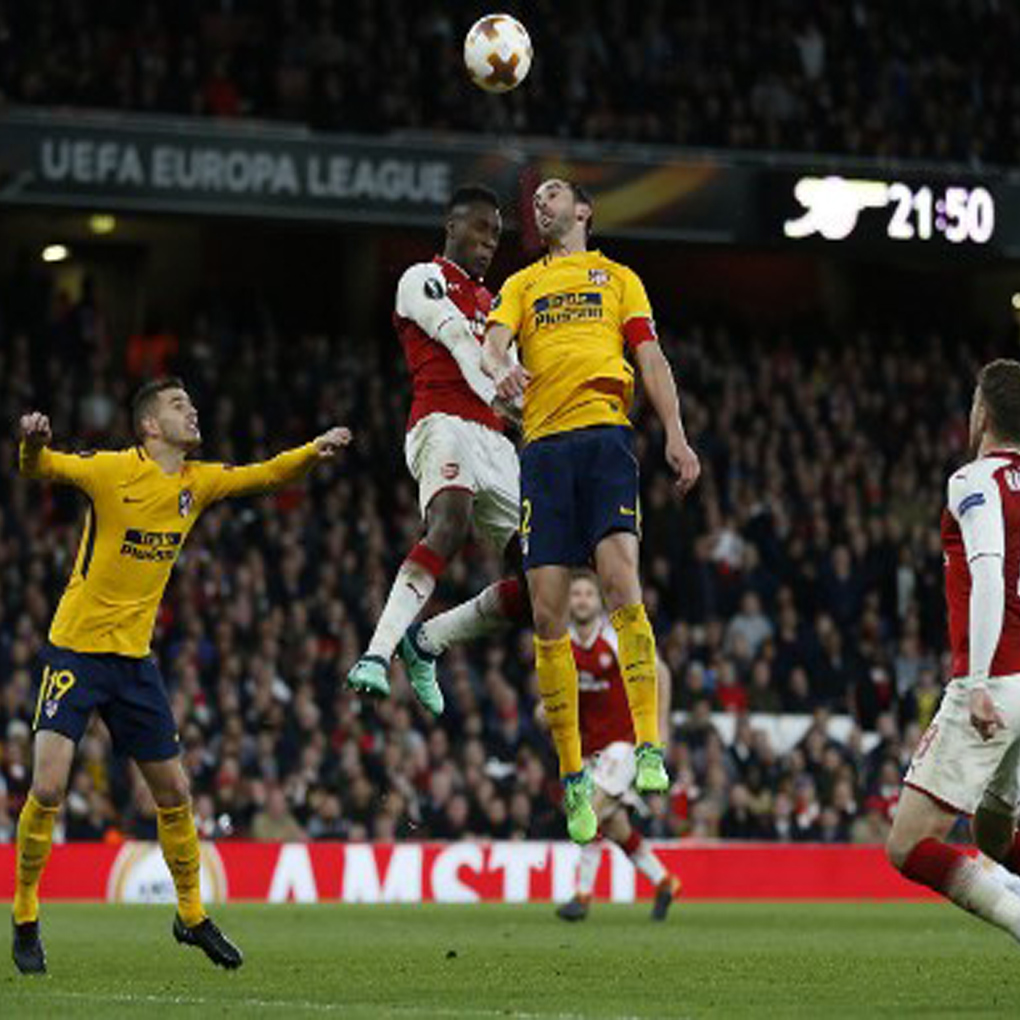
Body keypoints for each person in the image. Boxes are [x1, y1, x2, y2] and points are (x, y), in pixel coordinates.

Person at [12, 378, 350, 974]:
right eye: (177, 405)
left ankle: (191, 915)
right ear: (149, 426)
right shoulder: (113, 471)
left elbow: (265, 475)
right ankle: (25, 913)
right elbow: (41, 470)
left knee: (175, 793)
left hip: (135, 663)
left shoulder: (198, 483)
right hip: (76, 653)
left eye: (191, 402)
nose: (192, 409)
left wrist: (310, 452)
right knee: (48, 787)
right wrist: (33, 444)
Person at [481, 177, 700, 843]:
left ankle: (649, 747)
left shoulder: (618, 279)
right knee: (547, 612)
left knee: (620, 584)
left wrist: (676, 433)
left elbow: (651, 356)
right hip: (542, 449)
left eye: (553, 195)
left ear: (582, 211)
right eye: (536, 198)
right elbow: (492, 340)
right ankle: (574, 777)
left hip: (606, 438)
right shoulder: (521, 283)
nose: (540, 203)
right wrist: (501, 365)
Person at [347, 184, 525, 714]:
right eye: (480, 228)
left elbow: (512, 382)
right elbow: (462, 348)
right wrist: (502, 386)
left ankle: (426, 642)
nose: (490, 242)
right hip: (441, 421)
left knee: (545, 578)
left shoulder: (495, 306)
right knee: (449, 521)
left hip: (496, 443)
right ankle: (376, 656)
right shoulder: (421, 279)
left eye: (496, 234)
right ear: (451, 226)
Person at [887, 359, 1020, 943]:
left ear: (982, 413)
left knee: (909, 844)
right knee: (993, 830)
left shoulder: (976, 479)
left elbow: (989, 575)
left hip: (998, 681)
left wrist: (979, 684)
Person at [554, 571, 681, 922]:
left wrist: (660, 729)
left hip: (625, 745)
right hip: (590, 752)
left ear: (599, 602)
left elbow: (662, 673)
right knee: (615, 827)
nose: (581, 599)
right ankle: (665, 881)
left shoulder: (614, 640)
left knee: (588, 810)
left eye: (588, 594)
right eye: (575, 594)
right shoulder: (561, 647)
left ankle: (582, 895)